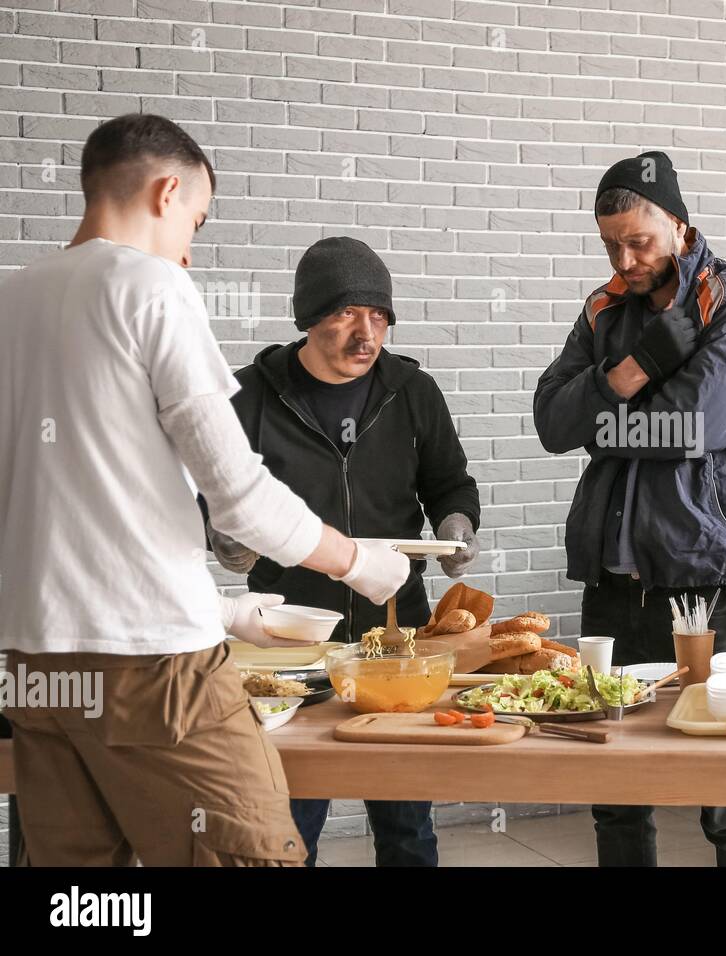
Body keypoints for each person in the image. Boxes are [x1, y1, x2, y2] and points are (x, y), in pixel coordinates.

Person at [0, 114, 409, 865]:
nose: (189, 248)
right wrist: (356, 561)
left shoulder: (11, 302)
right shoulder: (151, 287)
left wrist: (225, 608)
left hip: (34, 668)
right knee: (254, 857)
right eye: (196, 219)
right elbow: (241, 498)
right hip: (156, 671)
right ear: (167, 190)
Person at [534, 151, 726, 866]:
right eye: (610, 243)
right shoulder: (605, 309)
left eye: (638, 240)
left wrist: (603, 422)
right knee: (614, 788)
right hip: (611, 587)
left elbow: (696, 426)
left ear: (677, 223)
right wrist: (636, 367)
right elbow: (553, 425)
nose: (625, 257)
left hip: (703, 584)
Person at [204, 236, 481, 866]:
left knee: (406, 820)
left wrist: (456, 528)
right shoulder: (248, 396)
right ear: (308, 318)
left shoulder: (412, 389)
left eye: (379, 317)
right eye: (345, 315)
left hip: (398, 630)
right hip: (287, 636)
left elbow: (451, 484)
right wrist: (227, 542)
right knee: (287, 818)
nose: (366, 336)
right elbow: (211, 500)